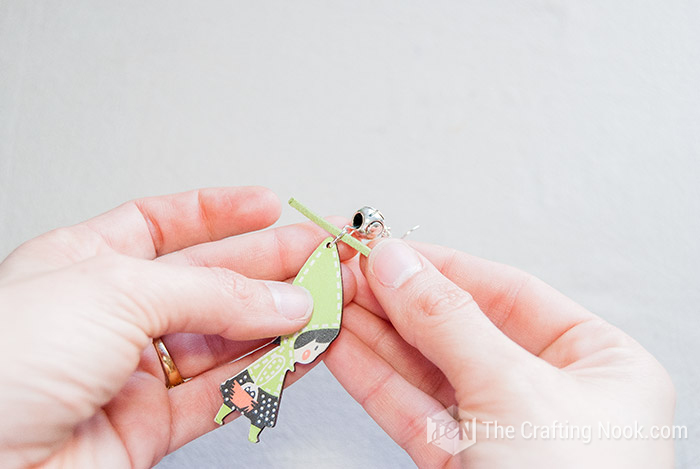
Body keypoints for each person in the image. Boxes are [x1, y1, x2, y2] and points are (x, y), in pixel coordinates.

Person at [0, 187, 675, 468]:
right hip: (307, 322)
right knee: (275, 361)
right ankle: (255, 397)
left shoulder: (336, 262)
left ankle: (255, 398)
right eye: (366, 229)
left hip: (312, 325)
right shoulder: (324, 264)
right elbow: (311, 310)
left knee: (272, 367)